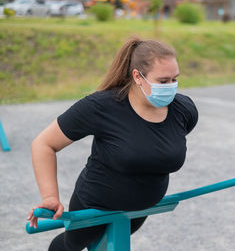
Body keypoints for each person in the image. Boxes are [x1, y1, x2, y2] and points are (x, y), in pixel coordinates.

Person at [27, 37, 198, 251]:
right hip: (94, 206)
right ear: (138, 76)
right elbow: (43, 144)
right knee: (72, 245)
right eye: (163, 81)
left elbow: (160, 145)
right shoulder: (101, 107)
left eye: (175, 79)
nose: (171, 87)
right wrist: (50, 197)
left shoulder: (184, 110)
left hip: (140, 209)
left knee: (106, 245)